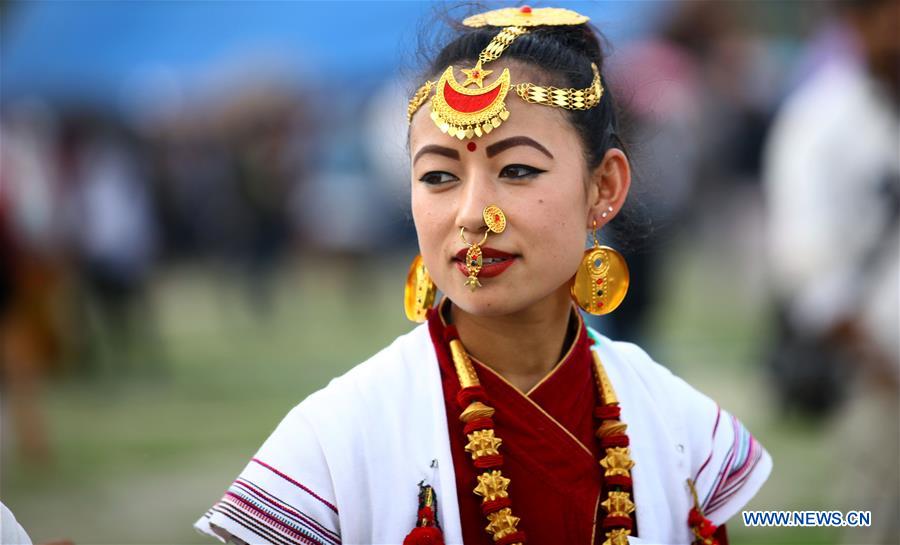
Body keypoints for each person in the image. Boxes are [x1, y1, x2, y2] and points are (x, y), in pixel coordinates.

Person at [195, 7, 771, 545]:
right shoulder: (333, 442)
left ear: (605, 188)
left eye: (517, 169)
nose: (473, 215)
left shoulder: (681, 426)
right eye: (440, 177)